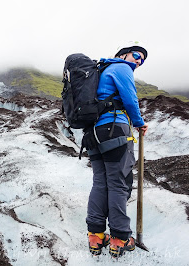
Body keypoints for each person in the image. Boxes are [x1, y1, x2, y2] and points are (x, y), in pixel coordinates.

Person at [85, 41, 149, 258]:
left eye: (142, 60)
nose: (139, 61)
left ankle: (95, 236)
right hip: (114, 129)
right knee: (119, 183)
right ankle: (120, 238)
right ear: (122, 55)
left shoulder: (100, 71)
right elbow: (130, 99)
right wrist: (139, 123)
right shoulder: (121, 68)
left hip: (93, 133)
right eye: (136, 55)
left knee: (100, 182)